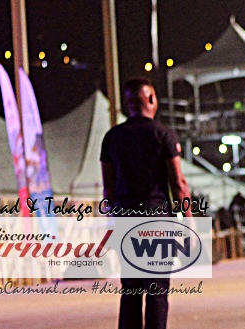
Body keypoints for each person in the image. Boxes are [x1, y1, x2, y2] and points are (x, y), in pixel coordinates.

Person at [100, 77, 192, 329]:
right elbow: (179, 183)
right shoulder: (163, 134)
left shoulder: (112, 137)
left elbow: (108, 186)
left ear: (127, 103)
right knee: (156, 291)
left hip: (126, 221)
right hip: (157, 219)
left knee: (130, 289)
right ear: (151, 99)